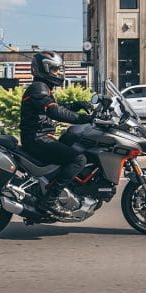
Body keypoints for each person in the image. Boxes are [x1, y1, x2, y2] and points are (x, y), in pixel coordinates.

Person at [19, 50, 91, 217]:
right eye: (55, 69)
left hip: (41, 137)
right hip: (37, 140)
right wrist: (82, 118)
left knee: (73, 139)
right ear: (43, 69)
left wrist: (77, 104)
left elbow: (57, 106)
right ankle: (50, 200)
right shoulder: (38, 89)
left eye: (59, 69)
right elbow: (54, 112)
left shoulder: (43, 88)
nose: (59, 73)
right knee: (78, 159)